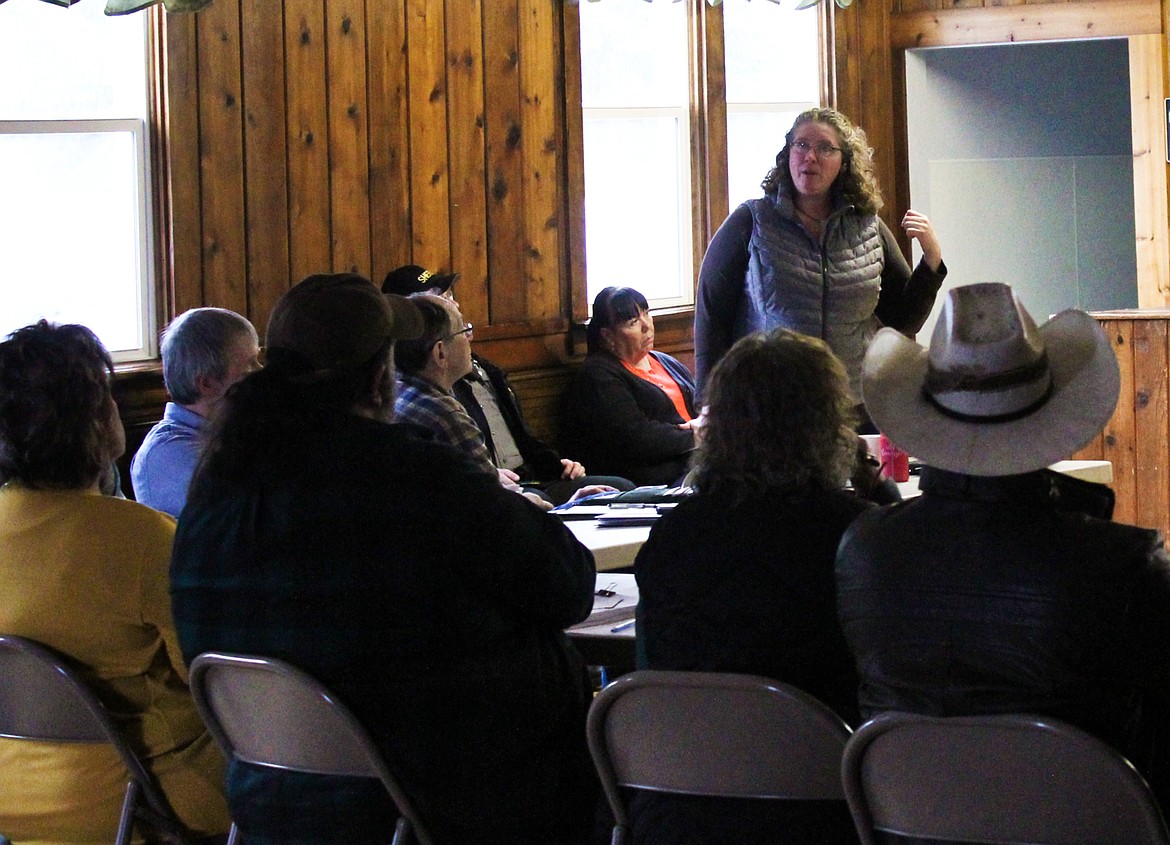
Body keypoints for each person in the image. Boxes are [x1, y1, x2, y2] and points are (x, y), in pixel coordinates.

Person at [171, 273, 599, 845]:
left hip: (277, 804)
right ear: (381, 376)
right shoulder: (412, 473)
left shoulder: (213, 491)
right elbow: (566, 581)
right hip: (447, 798)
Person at [836, 282, 1170, 810]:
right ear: (1050, 411)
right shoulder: (1125, 565)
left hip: (916, 828)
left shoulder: (863, 551)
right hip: (1077, 821)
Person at [631, 329, 870, 845]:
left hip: (680, 807)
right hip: (824, 805)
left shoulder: (672, 536)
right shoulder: (853, 537)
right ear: (828, 424)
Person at [0, 320, 230, 843]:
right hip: (141, 800)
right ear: (97, 420)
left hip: (8, 793)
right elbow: (211, 679)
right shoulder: (143, 540)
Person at [694, 106, 947, 406]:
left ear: (844, 163)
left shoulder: (869, 228)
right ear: (788, 154)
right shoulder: (752, 220)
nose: (810, 156)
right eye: (801, 145)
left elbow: (904, 319)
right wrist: (708, 403)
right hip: (769, 403)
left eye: (825, 147)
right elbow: (712, 316)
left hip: (853, 403)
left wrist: (931, 258)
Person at [383, 264, 633, 503]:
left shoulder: (481, 369)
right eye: (440, 301)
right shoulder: (442, 403)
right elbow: (490, 496)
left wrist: (556, 465)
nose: (454, 304)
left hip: (528, 480)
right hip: (506, 497)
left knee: (618, 489)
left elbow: (523, 438)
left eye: (449, 297)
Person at [561, 286, 698, 486]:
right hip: (656, 476)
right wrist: (697, 437)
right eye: (633, 322)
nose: (647, 326)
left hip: (698, 460)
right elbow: (637, 437)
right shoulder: (598, 375)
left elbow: (701, 404)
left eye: (646, 314)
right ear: (608, 335)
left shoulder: (665, 361)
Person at [131, 307, 260, 516]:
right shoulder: (168, 452)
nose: (261, 372)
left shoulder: (232, 428)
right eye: (250, 366)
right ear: (207, 383)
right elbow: (249, 511)